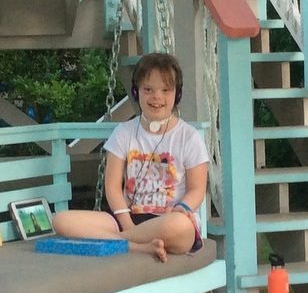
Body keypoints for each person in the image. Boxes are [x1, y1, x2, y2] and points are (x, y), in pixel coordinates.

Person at [52, 52, 208, 262]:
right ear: (136, 92)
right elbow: (113, 187)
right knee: (61, 220)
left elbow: (197, 188)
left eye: (165, 90)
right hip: (128, 217)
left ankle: (118, 241)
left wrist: (183, 209)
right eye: (148, 89)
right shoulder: (123, 132)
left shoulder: (189, 136)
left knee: (179, 226)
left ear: (176, 95)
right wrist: (126, 223)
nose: (157, 97)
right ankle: (136, 245)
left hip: (168, 219)